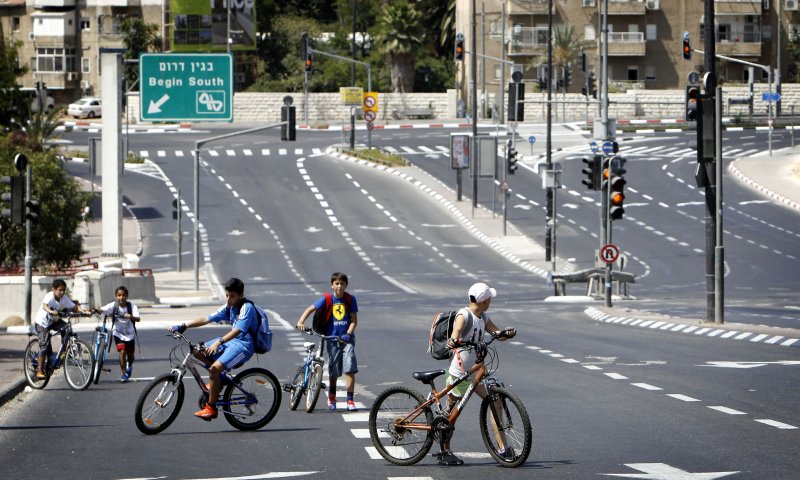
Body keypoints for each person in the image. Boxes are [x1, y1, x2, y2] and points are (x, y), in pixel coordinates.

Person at [438, 282, 516, 466]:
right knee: (451, 414)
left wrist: (506, 333)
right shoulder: (463, 315)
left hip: (477, 372)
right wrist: (453, 341)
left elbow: (496, 333)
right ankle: (444, 451)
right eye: (489, 299)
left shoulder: (483, 316)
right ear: (484, 300)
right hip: (460, 373)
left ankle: (503, 448)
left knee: (495, 400)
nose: (490, 302)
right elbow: (455, 333)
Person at [168, 278, 257, 421]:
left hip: (244, 346)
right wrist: (184, 325)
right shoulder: (228, 307)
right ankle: (219, 379)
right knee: (196, 351)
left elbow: (237, 331)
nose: (228, 299)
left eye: (232, 296)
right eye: (226, 295)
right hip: (231, 342)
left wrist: (218, 343)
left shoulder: (247, 308)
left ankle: (211, 408)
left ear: (241, 295)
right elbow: (207, 318)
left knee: (214, 369)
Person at [296, 272, 359, 411]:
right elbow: (310, 309)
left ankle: (350, 400)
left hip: (347, 339)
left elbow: (354, 321)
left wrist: (348, 333)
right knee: (334, 370)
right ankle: (332, 397)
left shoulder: (350, 299)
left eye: (342, 284)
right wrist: (301, 321)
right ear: (332, 285)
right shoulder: (327, 299)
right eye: (337, 283)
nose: (339, 286)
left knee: (350, 367)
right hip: (332, 339)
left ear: (346, 285)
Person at [33, 279, 89, 379]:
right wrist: (51, 311)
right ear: (53, 289)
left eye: (64, 290)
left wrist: (84, 311)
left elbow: (74, 307)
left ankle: (64, 352)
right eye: (60, 290)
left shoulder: (64, 298)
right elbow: (45, 306)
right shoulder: (49, 296)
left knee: (67, 328)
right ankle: (39, 370)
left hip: (53, 321)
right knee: (44, 346)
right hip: (42, 324)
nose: (62, 292)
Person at [99, 286, 140, 382]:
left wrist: (131, 316)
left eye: (123, 295)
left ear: (127, 296)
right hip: (118, 333)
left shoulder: (132, 306)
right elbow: (102, 309)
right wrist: (94, 310)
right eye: (119, 295)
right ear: (116, 296)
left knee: (130, 356)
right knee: (122, 351)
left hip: (130, 334)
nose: (121, 297)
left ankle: (129, 366)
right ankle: (124, 373)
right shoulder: (113, 305)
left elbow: (138, 319)